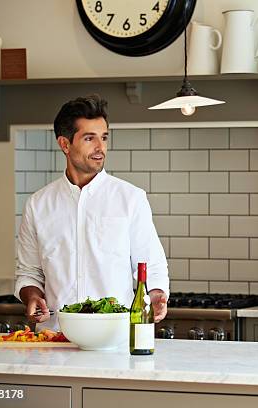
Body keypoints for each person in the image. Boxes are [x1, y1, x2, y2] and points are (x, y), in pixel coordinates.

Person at [15, 95, 169, 330]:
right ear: (65, 144)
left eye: (104, 137)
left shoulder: (131, 199)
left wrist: (156, 295)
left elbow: (151, 265)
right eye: (89, 138)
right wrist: (32, 296)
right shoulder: (38, 204)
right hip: (56, 339)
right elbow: (29, 272)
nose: (100, 147)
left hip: (114, 340)